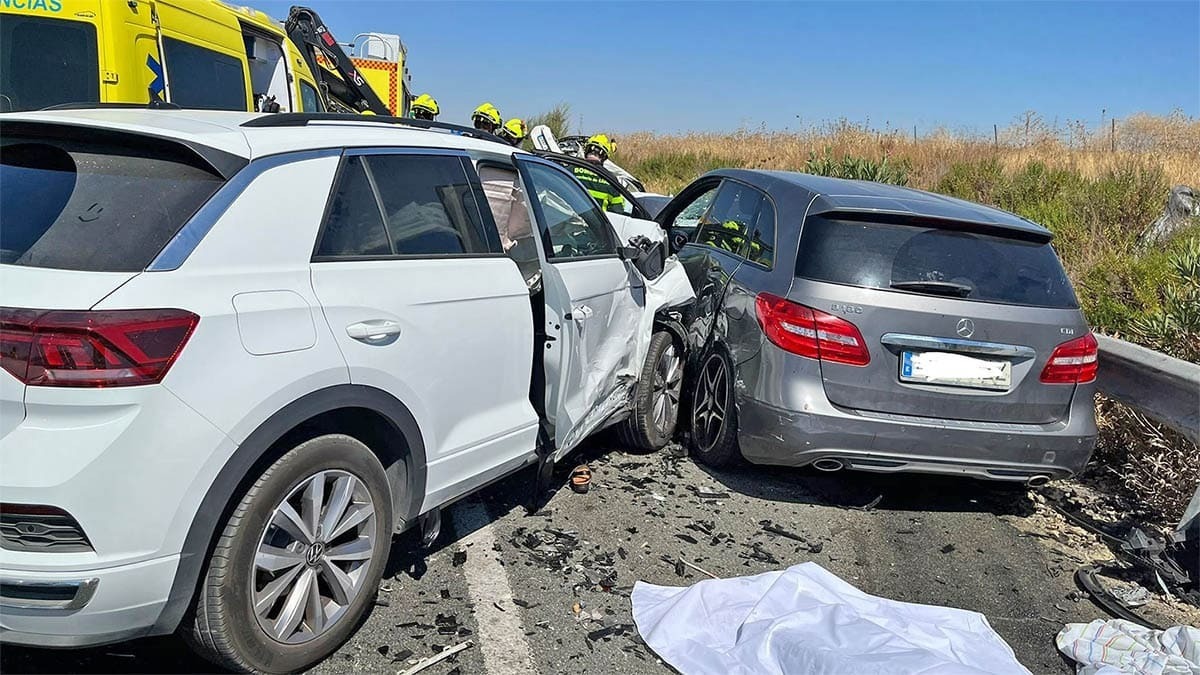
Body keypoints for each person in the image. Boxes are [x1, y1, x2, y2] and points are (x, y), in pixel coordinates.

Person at [572, 134, 626, 213]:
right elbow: (618, 210)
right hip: (596, 224)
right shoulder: (610, 179)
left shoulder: (571, 170)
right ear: (604, 156)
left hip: (568, 222)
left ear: (586, 150)